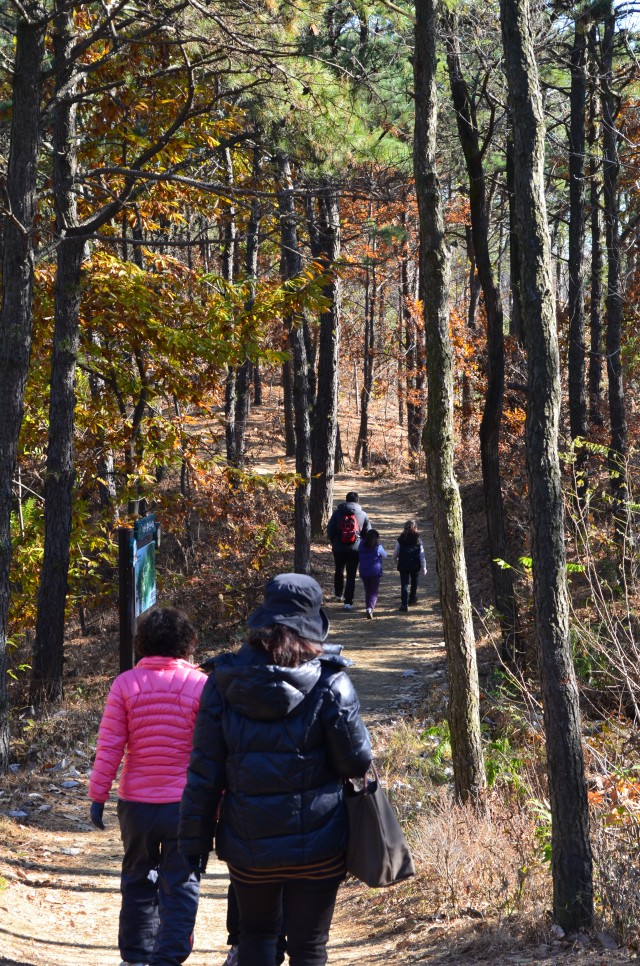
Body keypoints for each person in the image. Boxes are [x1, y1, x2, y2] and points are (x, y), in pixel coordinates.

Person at [179, 573, 372, 966]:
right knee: (309, 947)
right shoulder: (332, 682)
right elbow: (356, 761)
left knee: (257, 937)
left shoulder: (222, 682)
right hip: (320, 842)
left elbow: (204, 771)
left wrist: (194, 842)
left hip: (250, 845)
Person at [88, 607, 207, 966]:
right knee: (182, 882)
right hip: (184, 807)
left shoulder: (125, 684)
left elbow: (110, 744)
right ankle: (169, 958)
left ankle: (136, 957)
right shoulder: (201, 684)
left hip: (136, 805)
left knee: (138, 878)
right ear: (187, 643)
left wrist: (98, 795)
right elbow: (210, 752)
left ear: (142, 644)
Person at [326, 491, 371, 610]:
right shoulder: (363, 515)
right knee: (351, 574)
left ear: (346, 500)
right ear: (357, 501)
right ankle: (348, 602)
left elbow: (330, 530)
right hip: (355, 549)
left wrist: (335, 542)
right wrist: (362, 544)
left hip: (338, 548)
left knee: (339, 570)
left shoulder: (337, 513)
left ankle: (338, 594)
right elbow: (368, 534)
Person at [393, 520, 428, 612]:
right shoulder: (418, 540)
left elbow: (396, 552)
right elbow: (422, 555)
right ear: (415, 528)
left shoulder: (401, 539)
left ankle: (404, 604)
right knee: (414, 582)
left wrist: (394, 559)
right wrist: (424, 566)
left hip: (403, 565)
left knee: (404, 584)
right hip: (415, 565)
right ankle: (412, 598)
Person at [357, 529, 387, 618]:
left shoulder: (361, 545)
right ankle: (370, 608)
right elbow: (385, 555)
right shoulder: (378, 547)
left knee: (367, 590)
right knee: (373, 591)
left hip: (364, 571)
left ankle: (367, 607)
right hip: (375, 572)